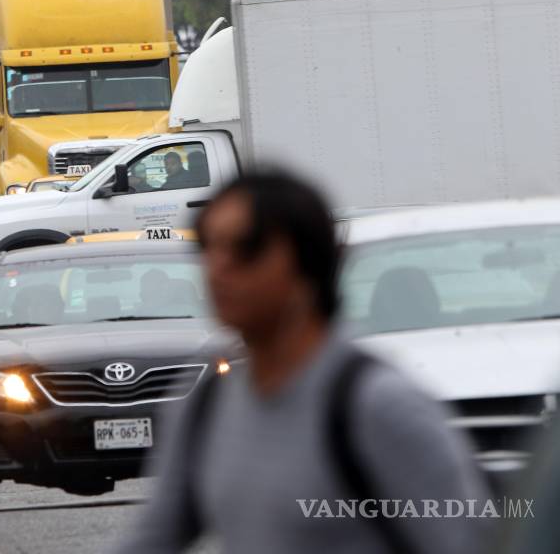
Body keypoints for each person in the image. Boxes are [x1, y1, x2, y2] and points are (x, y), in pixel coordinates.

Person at [113, 169, 489, 554]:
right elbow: (154, 537)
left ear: (308, 260)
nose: (218, 267)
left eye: (246, 248)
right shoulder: (208, 401)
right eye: (208, 245)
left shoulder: (374, 404)